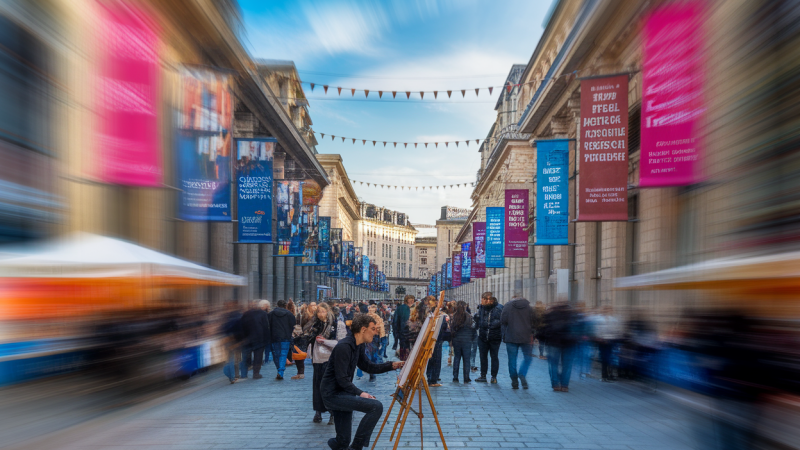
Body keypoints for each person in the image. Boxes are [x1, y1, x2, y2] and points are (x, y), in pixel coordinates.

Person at [321, 314, 405, 450]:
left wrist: (392, 365)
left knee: (342, 441)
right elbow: (341, 379)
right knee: (376, 407)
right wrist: (361, 393)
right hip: (333, 395)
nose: (376, 332)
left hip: (344, 393)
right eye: (373, 329)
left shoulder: (358, 345)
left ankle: (337, 445)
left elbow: (368, 366)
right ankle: (356, 447)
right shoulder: (344, 347)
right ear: (363, 329)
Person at [307, 303, 346, 424]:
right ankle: (318, 411)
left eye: (323, 311)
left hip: (330, 359)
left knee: (329, 387)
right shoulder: (314, 325)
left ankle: (332, 412)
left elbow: (341, 343)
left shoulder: (337, 324)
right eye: (319, 311)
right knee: (317, 386)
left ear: (328, 312)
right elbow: (309, 340)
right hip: (317, 359)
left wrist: (325, 341)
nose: (320, 314)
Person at [540, 302, 579, 392]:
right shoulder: (572, 314)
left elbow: (544, 328)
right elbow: (577, 329)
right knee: (567, 365)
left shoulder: (550, 314)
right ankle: (564, 385)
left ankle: (555, 384)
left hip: (554, 342)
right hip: (569, 342)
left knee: (553, 364)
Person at [501, 292, 535, 389]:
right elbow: (534, 321)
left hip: (511, 336)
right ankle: (522, 373)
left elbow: (503, 320)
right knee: (528, 358)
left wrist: (504, 334)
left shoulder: (507, 306)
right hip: (526, 337)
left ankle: (514, 380)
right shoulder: (529, 307)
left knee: (512, 360)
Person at [474, 292, 503, 383]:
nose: (482, 301)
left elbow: (500, 321)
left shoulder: (499, 308)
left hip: (494, 336)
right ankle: (483, 375)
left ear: (488, 300)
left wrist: (488, 325)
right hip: (483, 336)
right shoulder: (481, 308)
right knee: (483, 357)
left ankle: (494, 377)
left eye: (483, 299)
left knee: (494, 357)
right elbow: (479, 320)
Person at [240, 300, 270, 379]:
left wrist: (242, 338)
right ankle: (256, 374)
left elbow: (242, 327)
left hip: (247, 339)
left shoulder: (245, 314)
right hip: (259, 339)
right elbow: (265, 327)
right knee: (258, 358)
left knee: (246, 357)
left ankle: (244, 374)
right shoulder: (263, 314)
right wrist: (266, 340)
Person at [592, 305, 623, 382]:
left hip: (610, 340)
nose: (608, 311)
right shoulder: (599, 319)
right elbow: (597, 330)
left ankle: (608, 374)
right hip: (603, 340)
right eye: (606, 309)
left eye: (609, 309)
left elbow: (616, 330)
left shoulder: (613, 319)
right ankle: (605, 375)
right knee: (605, 358)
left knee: (609, 358)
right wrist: (599, 337)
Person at [269, 299, 296, 380]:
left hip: (274, 337)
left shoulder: (271, 314)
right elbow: (293, 325)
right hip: (286, 337)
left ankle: (279, 370)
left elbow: (268, 325)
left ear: (277, 305)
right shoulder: (289, 314)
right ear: (285, 305)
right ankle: (280, 371)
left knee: (276, 354)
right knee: (283, 354)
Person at [356, 304, 384, 382]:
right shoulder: (367, 317)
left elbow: (379, 328)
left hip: (371, 339)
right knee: (369, 355)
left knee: (370, 355)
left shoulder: (375, 317)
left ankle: (370, 373)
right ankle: (368, 373)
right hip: (370, 339)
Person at [292, 303, 317, 380]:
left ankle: (315, 371)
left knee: (315, 353)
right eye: (312, 305)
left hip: (313, 336)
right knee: (300, 353)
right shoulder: (303, 315)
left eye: (315, 305)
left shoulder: (317, 315)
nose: (314, 307)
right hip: (304, 335)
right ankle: (300, 372)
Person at [450, 301, 474, 383]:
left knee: (457, 358)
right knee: (466, 359)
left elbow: (452, 328)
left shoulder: (454, 316)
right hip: (467, 340)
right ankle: (466, 377)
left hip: (457, 340)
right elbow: (472, 327)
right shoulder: (468, 316)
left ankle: (455, 377)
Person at [425, 296, 447, 387]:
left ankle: (429, 377)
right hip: (435, 339)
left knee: (430, 360)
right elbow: (443, 327)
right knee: (435, 359)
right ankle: (433, 379)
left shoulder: (427, 312)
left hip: (429, 339)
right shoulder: (438, 314)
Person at [222, 301, 244, 383]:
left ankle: (232, 376)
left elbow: (223, 329)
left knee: (231, 359)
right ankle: (235, 375)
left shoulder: (226, 316)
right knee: (236, 359)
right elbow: (241, 329)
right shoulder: (238, 315)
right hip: (235, 340)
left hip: (229, 340)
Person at [393, 295, 414, 360]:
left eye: (413, 300)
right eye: (410, 300)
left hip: (402, 334)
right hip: (405, 334)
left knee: (403, 350)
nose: (412, 302)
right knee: (405, 352)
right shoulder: (405, 308)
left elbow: (395, 322)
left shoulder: (400, 308)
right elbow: (404, 322)